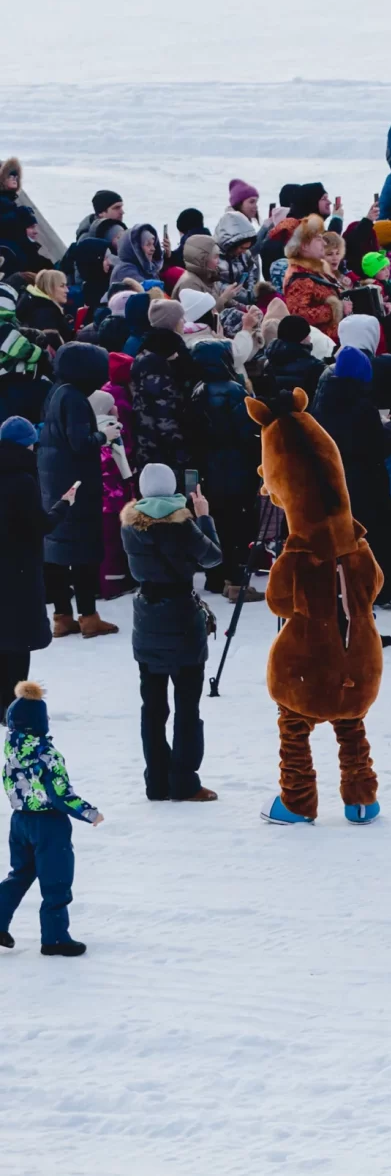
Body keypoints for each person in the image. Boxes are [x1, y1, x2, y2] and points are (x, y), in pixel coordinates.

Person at [120, 462, 222, 802]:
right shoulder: (184, 524)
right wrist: (204, 516)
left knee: (152, 707)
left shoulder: (130, 526)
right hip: (181, 619)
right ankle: (184, 782)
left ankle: (156, 781)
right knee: (187, 706)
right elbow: (213, 558)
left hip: (147, 618)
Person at [2, 680, 103, 956]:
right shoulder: (47, 755)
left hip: (19, 821)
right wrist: (88, 812)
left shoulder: (11, 749)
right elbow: (60, 795)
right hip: (48, 823)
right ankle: (55, 938)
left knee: (20, 874)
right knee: (56, 879)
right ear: (39, 722)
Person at [38, 343, 116, 640]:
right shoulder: (74, 399)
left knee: (57, 551)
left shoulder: (57, 392)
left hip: (55, 484)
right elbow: (81, 442)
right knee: (83, 552)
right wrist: (104, 435)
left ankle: (62, 617)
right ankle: (88, 617)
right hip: (77, 485)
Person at [0, 417, 48, 699]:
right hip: (20, 568)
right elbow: (39, 525)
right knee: (20, 640)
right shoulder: (24, 480)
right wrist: (63, 506)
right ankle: (14, 703)